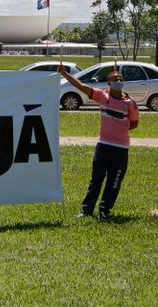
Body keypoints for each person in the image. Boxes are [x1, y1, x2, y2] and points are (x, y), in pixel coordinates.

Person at [58, 61, 139, 220]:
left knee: (114, 183)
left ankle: (105, 211)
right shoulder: (102, 96)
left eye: (120, 79)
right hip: (103, 146)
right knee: (96, 179)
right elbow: (81, 86)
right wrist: (65, 74)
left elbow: (134, 123)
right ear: (109, 83)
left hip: (121, 149)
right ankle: (86, 210)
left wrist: (120, 130)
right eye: (115, 79)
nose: (118, 82)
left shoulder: (130, 103)